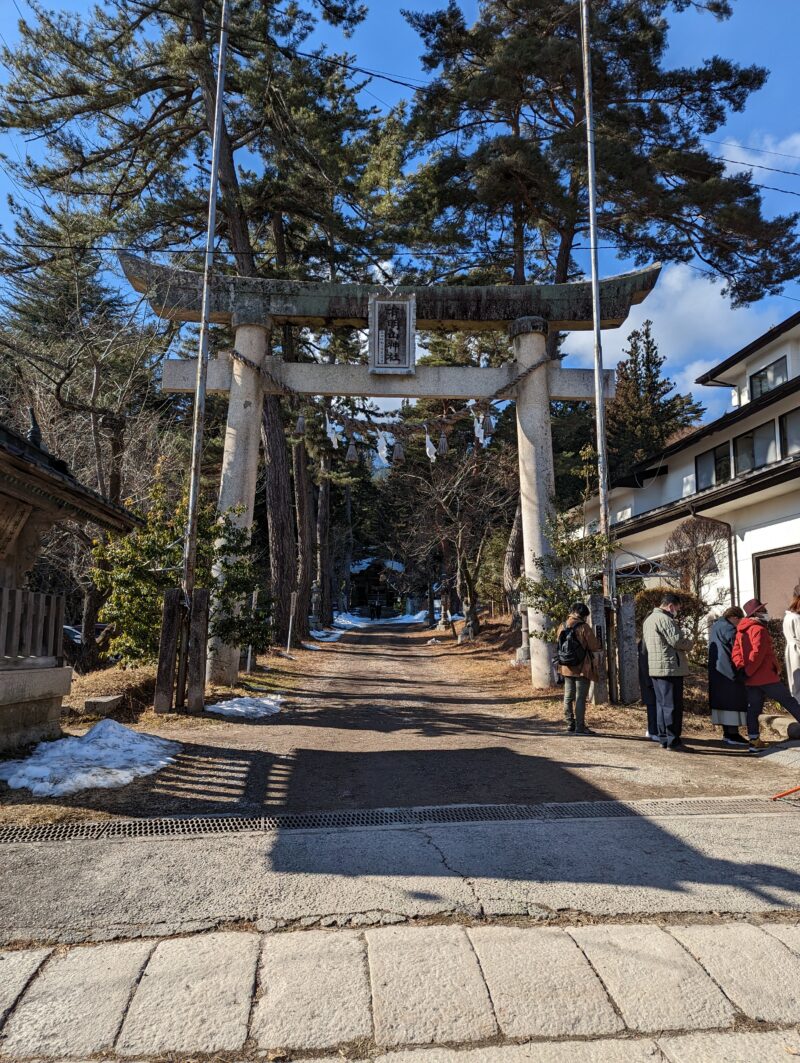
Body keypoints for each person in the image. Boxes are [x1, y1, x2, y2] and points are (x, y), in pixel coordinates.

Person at [732, 598, 800, 751]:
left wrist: (742, 669)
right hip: (765, 677)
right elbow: (758, 654)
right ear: (756, 613)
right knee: (789, 702)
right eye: (763, 610)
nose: (766, 612)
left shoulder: (741, 630)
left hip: (750, 678)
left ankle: (754, 741)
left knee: (753, 709)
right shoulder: (759, 629)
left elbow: (736, 653)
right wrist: (749, 670)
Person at [642, 592, 693, 750]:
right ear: (671, 606)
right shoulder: (665, 619)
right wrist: (690, 643)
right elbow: (677, 641)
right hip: (670, 668)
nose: (676, 611)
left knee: (661, 705)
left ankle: (663, 738)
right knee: (672, 706)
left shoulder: (649, 619)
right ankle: (673, 740)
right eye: (676, 608)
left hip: (656, 668)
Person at [555, 602, 601, 735]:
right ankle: (580, 727)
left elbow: (558, 644)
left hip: (566, 666)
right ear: (582, 615)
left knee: (568, 696)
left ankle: (570, 724)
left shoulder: (561, 626)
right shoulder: (584, 627)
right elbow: (593, 646)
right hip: (582, 667)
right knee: (580, 697)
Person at [708, 606, 748, 747]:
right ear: (735, 618)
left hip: (717, 671)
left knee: (723, 704)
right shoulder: (729, 629)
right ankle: (733, 734)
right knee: (733, 702)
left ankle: (727, 733)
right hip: (729, 671)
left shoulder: (716, 625)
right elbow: (737, 646)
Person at [637, 638, 660, 742]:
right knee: (652, 705)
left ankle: (653, 730)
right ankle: (653, 730)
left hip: (649, 678)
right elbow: (644, 663)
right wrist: (648, 681)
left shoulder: (645, 640)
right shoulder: (646, 641)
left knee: (653, 706)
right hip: (649, 678)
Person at [784, 591, 800, 700]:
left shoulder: (788, 616)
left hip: (791, 649)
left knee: (794, 680)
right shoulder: (796, 618)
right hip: (797, 649)